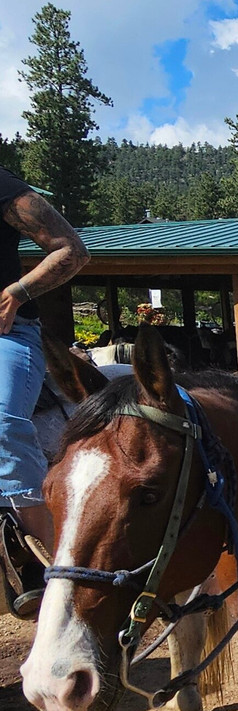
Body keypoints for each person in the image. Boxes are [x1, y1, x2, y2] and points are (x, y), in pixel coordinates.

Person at [0, 166, 90, 616]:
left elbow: (71, 250)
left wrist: (16, 292)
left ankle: (56, 564)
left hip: (8, 334)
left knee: (1, 423)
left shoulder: (6, 190)